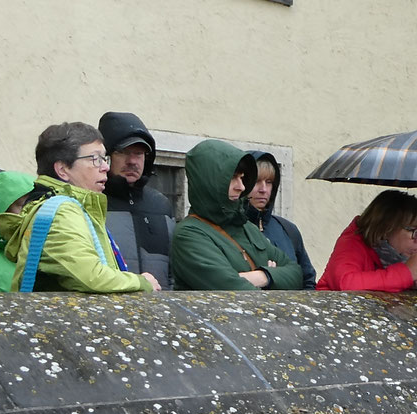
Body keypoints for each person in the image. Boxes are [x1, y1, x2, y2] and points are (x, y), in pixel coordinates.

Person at [0, 122, 160, 294]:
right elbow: (92, 277)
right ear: (63, 169)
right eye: (95, 159)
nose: (106, 167)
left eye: (105, 158)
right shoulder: (61, 212)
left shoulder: (74, 207)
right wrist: (141, 282)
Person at [170, 140, 307, 290]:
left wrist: (263, 276)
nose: (241, 187)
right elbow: (233, 288)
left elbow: (296, 274)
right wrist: (274, 277)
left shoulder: (247, 227)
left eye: (242, 178)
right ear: (210, 182)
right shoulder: (189, 234)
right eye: (233, 178)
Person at [318, 190, 417, 293]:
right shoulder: (352, 244)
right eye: (413, 231)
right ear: (387, 228)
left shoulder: (399, 255)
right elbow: (346, 283)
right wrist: (407, 274)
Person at [99, 111, 175, 288]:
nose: (132, 161)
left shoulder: (161, 204)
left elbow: (174, 269)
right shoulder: (93, 202)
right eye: (123, 152)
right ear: (106, 157)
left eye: (139, 154)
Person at [243, 152, 316, 289]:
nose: (263, 189)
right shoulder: (231, 229)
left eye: (269, 182)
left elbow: (308, 281)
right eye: (257, 181)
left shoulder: (288, 229)